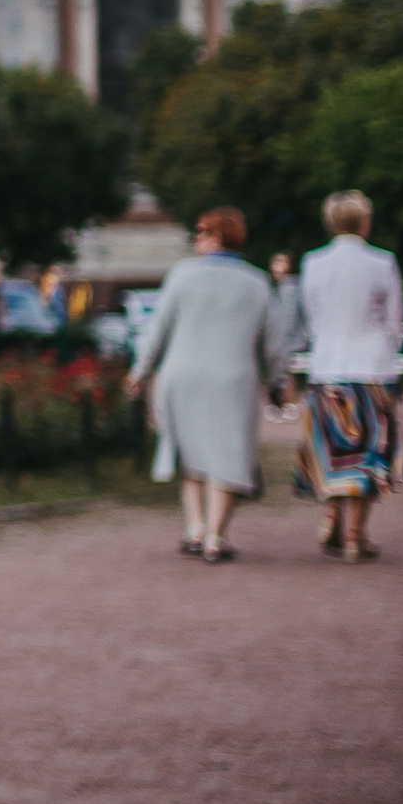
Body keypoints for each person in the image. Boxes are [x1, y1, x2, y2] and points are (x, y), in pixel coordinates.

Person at [129, 210, 289, 562]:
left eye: (201, 232)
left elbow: (158, 330)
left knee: (191, 455)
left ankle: (195, 529)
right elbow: (274, 344)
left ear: (219, 237)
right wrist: (279, 382)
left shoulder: (181, 276)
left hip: (181, 375)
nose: (196, 239)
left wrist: (139, 371)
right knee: (227, 455)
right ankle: (215, 537)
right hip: (232, 379)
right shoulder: (257, 282)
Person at [298, 189, 403, 561]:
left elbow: (311, 318)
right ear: (365, 222)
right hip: (372, 368)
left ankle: (332, 516)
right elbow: (394, 322)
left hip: (328, 366)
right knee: (370, 452)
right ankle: (355, 536)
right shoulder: (382, 262)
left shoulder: (312, 262)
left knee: (336, 451)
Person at [266, 249, 311, 368]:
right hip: (294, 346)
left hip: (292, 347)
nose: (276, 266)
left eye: (281, 262)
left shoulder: (288, 288)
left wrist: (278, 347)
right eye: (275, 262)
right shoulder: (286, 287)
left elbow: (286, 321)